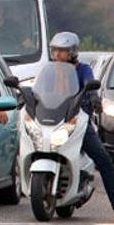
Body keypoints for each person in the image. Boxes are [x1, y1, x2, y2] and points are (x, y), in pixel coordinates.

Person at [49, 31, 114, 210]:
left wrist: (93, 96)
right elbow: (38, 87)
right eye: (55, 51)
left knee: (104, 160)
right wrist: (26, 97)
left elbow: (89, 81)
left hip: (77, 121)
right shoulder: (50, 70)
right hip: (51, 120)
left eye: (62, 51)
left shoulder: (82, 69)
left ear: (72, 52)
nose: (57, 55)